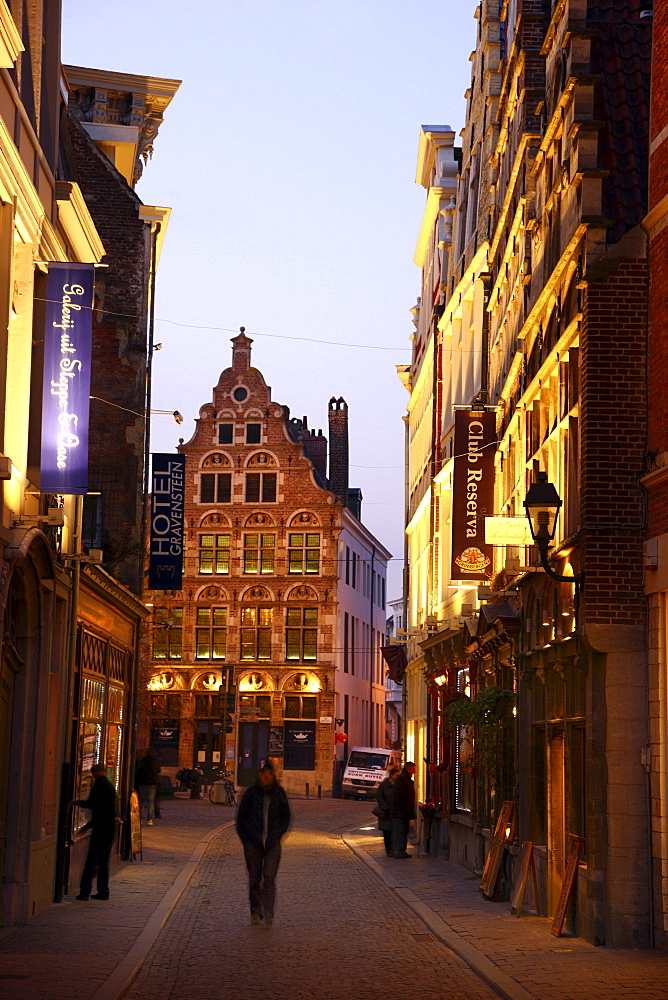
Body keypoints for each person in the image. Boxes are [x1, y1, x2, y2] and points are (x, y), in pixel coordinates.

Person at [236, 761, 291, 926]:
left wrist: (277, 834)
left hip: (272, 843)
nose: (266, 776)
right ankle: (255, 911)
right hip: (253, 843)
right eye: (263, 773)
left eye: (269, 773)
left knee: (268, 876)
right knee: (254, 878)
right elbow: (241, 819)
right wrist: (246, 839)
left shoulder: (279, 793)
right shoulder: (251, 794)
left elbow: (286, 817)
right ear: (260, 775)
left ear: (273, 775)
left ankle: (268, 910)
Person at [74, 764, 118, 900]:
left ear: (94, 773)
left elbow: (94, 804)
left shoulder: (99, 785)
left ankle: (85, 892)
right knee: (103, 861)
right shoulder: (109, 786)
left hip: (101, 828)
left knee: (91, 861)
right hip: (109, 826)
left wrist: (76, 803)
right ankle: (103, 891)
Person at [390, 761, 416, 858]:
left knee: (403, 831)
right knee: (400, 831)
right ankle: (399, 851)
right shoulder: (402, 779)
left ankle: (401, 850)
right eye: (413, 769)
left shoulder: (406, 779)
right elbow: (400, 796)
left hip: (403, 811)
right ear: (408, 769)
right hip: (400, 812)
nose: (415, 772)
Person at [375, 766, 400, 856]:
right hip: (385, 813)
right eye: (396, 775)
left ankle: (393, 849)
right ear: (391, 776)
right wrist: (385, 807)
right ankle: (388, 850)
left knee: (395, 832)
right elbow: (379, 797)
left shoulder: (398, 785)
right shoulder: (384, 785)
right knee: (387, 832)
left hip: (395, 812)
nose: (398, 776)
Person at [135, 748, 161, 825]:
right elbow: (158, 771)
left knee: (142, 802)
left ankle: (140, 818)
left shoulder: (142, 760)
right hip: (152, 783)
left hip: (143, 783)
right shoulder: (155, 761)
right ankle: (149, 819)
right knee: (151, 802)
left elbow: (138, 771)